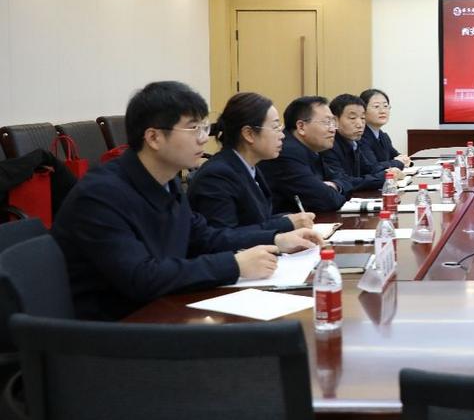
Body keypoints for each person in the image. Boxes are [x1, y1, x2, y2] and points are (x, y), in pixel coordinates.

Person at [51, 81, 322, 321]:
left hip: (158, 311)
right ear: (154, 137)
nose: (204, 138)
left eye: (204, 127)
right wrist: (234, 265)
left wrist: (276, 239)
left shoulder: (166, 181)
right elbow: (140, 277)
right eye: (194, 128)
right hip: (111, 332)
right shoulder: (100, 194)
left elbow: (204, 237)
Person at [188, 92, 315, 232]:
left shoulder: (249, 166)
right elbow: (222, 237)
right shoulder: (217, 175)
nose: (282, 135)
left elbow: (257, 220)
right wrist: (286, 224)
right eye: (275, 127)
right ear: (249, 134)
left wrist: (286, 218)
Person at [261, 95, 351, 213]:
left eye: (333, 122)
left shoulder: (312, 149)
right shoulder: (286, 153)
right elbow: (328, 200)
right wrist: (332, 189)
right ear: (301, 127)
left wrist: (335, 186)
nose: (332, 129)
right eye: (326, 122)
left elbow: (346, 180)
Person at [322, 93, 393, 192]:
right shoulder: (329, 146)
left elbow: (369, 168)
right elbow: (343, 181)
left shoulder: (355, 143)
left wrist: (390, 172)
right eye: (352, 118)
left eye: (363, 118)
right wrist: (385, 176)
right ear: (335, 121)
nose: (360, 124)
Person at [358, 88, 412, 173]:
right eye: (376, 106)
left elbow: (396, 156)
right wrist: (398, 162)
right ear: (363, 111)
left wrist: (404, 160)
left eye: (385, 106)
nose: (382, 111)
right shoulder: (360, 136)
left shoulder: (383, 136)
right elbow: (373, 167)